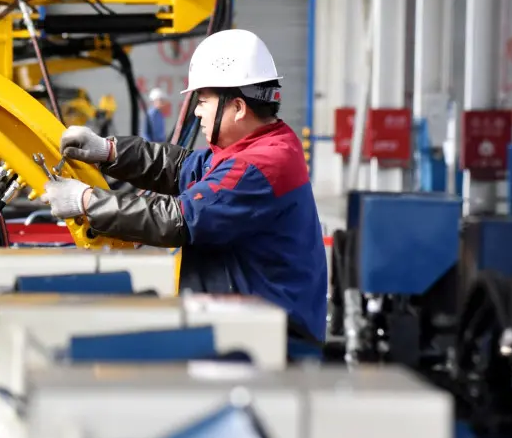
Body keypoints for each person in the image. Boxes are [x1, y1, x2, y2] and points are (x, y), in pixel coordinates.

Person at [41, 29, 327, 343]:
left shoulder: (259, 165)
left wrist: (85, 201)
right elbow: (181, 167)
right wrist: (108, 151)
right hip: (248, 326)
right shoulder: (258, 147)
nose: (196, 111)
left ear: (239, 108)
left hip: (271, 341)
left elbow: (178, 219)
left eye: (203, 101)